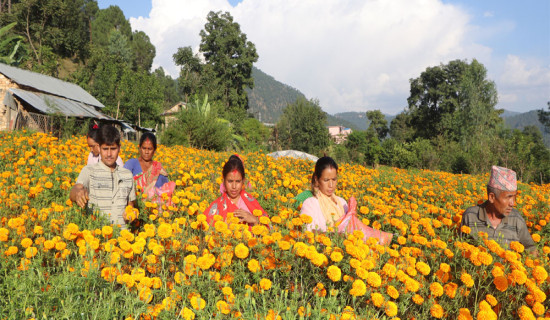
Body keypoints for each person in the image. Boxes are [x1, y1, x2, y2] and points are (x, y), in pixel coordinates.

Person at [460, 166, 537, 255]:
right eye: (508, 197)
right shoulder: (471, 216)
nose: (512, 203)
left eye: (514, 197)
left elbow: (531, 249)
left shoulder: (516, 219)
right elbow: (461, 247)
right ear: (492, 197)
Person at [71, 125, 136, 228]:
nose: (109, 154)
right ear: (99, 147)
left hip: (122, 236)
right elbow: (76, 189)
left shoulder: (127, 175)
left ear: (119, 148)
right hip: (97, 238)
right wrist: (77, 194)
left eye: (113, 149)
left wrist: (131, 212)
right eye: (105, 149)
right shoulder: (89, 171)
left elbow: (131, 204)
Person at [204, 155, 267, 230]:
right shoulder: (217, 206)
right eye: (230, 181)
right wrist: (223, 228)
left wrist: (255, 220)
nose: (234, 186)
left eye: (238, 181)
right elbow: (205, 232)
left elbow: (270, 230)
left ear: (243, 181)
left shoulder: (251, 202)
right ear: (224, 181)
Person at [300, 156, 348, 232]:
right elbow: (307, 232)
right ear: (316, 180)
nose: (331, 185)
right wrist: (334, 235)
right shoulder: (310, 204)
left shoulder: (342, 203)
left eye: (334, 179)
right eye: (326, 180)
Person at [123, 132, 170, 198]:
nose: (146, 152)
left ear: (154, 150)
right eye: (144, 148)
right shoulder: (131, 164)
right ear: (139, 148)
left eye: (150, 149)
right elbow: (123, 187)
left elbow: (165, 192)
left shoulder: (158, 168)